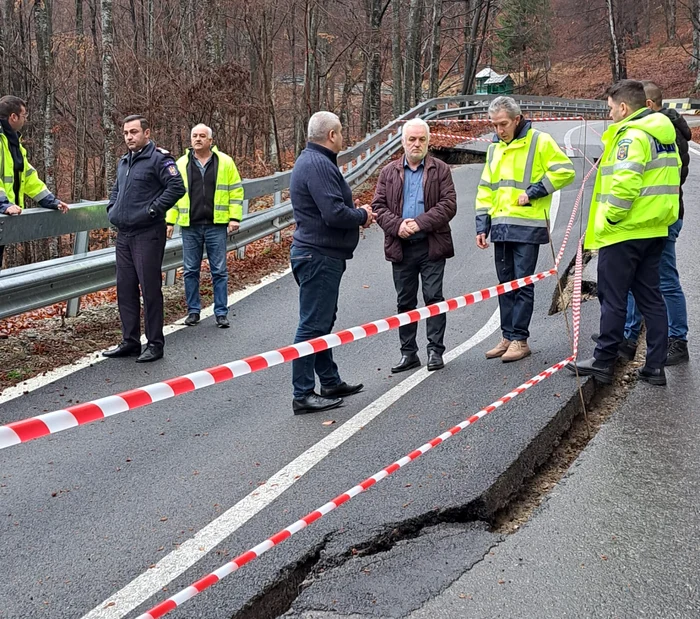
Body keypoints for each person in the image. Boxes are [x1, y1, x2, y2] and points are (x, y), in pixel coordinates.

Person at [568, 80, 681, 386]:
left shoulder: (630, 137)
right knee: (651, 298)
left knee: (613, 296)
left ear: (623, 107)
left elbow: (625, 184)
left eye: (610, 108)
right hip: (655, 228)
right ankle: (654, 367)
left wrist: (611, 220)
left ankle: (603, 359)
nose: (610, 115)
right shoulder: (664, 135)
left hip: (625, 231)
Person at [475, 96, 576, 362]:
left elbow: (566, 170)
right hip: (500, 225)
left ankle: (520, 339)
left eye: (503, 124)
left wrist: (534, 192)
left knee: (522, 283)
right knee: (504, 285)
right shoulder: (494, 148)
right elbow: (486, 188)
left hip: (527, 225)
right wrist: (481, 224)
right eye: (494, 125)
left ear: (517, 119)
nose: (499, 130)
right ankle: (507, 337)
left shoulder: (539, 141)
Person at [289, 111, 373, 415]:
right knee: (312, 324)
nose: (343, 136)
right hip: (318, 256)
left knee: (321, 320)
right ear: (332, 135)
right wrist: (362, 215)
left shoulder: (314, 161)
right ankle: (302, 393)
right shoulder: (317, 164)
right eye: (341, 132)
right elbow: (334, 213)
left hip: (320, 254)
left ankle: (329, 380)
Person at [615, 81, 690, 365]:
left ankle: (677, 340)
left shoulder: (667, 135)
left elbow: (668, 178)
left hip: (664, 217)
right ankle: (629, 338)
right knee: (638, 280)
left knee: (665, 280)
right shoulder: (657, 130)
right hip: (650, 217)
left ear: (648, 105)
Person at [372, 118, 457, 373]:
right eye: (412, 139)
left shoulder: (440, 169)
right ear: (403, 142)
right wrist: (398, 226)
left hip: (431, 244)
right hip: (401, 246)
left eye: (421, 139)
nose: (416, 144)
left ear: (428, 141)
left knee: (433, 297)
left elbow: (448, 205)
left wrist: (419, 223)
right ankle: (409, 353)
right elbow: (378, 207)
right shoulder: (388, 172)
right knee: (405, 301)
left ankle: (435, 351)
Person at [103, 115, 186, 362]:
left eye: (134, 132)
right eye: (126, 132)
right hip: (124, 235)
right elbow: (117, 189)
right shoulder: (124, 162)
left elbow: (177, 187)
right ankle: (130, 341)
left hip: (147, 234)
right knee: (125, 289)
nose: (129, 136)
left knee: (150, 289)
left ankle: (155, 343)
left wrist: (153, 210)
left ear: (146, 133)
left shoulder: (159, 159)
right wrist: (112, 207)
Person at [166, 124, 244, 328]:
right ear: (190, 139)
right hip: (190, 226)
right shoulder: (181, 164)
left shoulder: (225, 162)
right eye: (194, 136)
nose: (198, 139)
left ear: (210, 140)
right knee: (191, 270)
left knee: (219, 270)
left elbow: (236, 191)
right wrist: (170, 221)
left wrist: (234, 218)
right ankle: (193, 311)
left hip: (216, 224)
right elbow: (173, 195)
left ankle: (221, 312)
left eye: (202, 136)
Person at [0, 95, 69, 269]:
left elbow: (29, 177)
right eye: (24, 116)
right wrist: (3, 204)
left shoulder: (13, 143)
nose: (25, 120)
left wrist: (51, 201)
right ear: (13, 117)